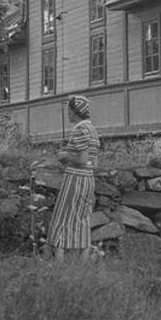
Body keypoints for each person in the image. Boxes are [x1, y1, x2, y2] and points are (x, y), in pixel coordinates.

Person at [43, 94, 100, 263]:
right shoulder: (93, 129)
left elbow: (81, 159)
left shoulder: (79, 129)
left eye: (69, 110)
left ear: (75, 111)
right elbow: (93, 162)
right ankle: (82, 263)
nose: (68, 113)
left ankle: (59, 263)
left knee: (63, 217)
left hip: (75, 178)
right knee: (83, 219)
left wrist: (65, 156)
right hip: (88, 179)